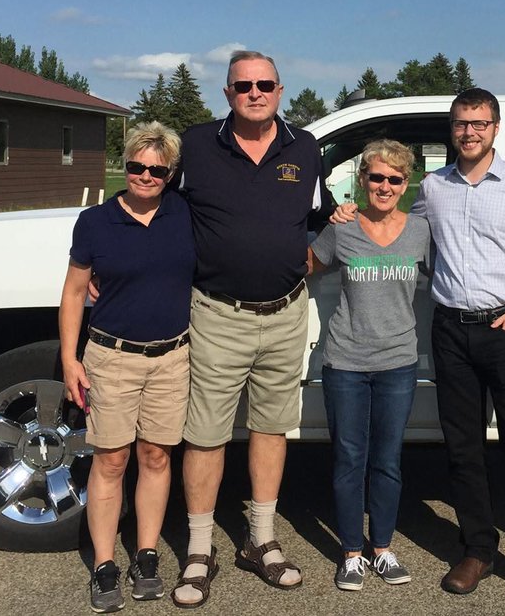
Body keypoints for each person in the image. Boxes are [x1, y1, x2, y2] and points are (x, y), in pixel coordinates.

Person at [170, 50, 337, 606]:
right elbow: (157, 209)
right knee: (207, 432)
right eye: (244, 86)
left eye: (264, 84)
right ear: (228, 94)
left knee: (271, 428)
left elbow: (322, 217)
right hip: (218, 314)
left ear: (280, 89)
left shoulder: (305, 147)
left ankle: (260, 540)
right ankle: (199, 549)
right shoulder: (195, 145)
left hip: (286, 312)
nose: (255, 93)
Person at [410, 87, 505, 610]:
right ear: (451, 130)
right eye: (460, 124)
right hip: (451, 330)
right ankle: (477, 549)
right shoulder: (433, 187)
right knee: (463, 450)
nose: (469, 132)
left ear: (495, 127)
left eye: (478, 123)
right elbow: (401, 231)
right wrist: (347, 217)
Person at [59, 121, 194, 613]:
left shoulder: (184, 214)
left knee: (156, 457)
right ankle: (103, 563)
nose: (145, 176)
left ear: (170, 173)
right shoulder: (95, 222)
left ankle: (147, 553)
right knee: (111, 460)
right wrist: (70, 359)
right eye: (136, 166)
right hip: (111, 358)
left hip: (172, 357)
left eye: (157, 169)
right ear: (125, 165)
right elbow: (74, 292)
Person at [308, 139, 431, 591]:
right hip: (345, 359)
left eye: (394, 179)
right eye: (375, 177)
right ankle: (351, 553)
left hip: (399, 361)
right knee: (348, 458)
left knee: (387, 460)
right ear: (361, 180)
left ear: (406, 183)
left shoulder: (420, 231)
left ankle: (382, 548)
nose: (384, 186)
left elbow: (452, 274)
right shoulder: (342, 228)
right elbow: (304, 266)